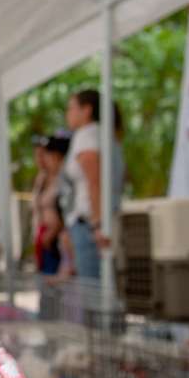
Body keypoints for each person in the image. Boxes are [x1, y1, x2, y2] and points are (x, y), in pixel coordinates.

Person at [60, 89, 125, 279]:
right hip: (100, 222)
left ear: (86, 110)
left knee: (93, 288)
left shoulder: (87, 135)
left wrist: (97, 224)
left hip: (90, 225)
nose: (68, 114)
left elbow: (94, 182)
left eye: (71, 108)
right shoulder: (103, 134)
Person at [34, 133, 70, 276]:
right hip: (45, 236)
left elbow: (64, 209)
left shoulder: (64, 179)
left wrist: (53, 232)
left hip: (59, 239)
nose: (43, 159)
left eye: (46, 154)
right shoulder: (42, 178)